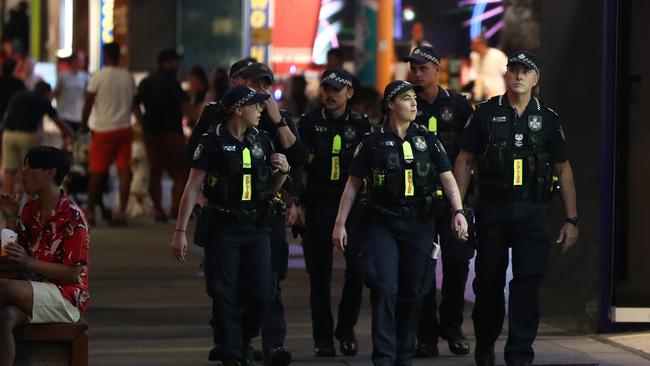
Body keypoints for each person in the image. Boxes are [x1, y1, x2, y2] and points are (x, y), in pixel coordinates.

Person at [454, 51, 579, 366]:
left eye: (526, 71)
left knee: (528, 282)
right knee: (488, 281)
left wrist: (571, 218)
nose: (519, 76)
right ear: (506, 75)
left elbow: (563, 169)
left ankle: (520, 352)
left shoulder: (548, 118)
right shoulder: (484, 114)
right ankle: (485, 342)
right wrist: (457, 208)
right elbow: (465, 160)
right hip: (493, 209)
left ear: (536, 79)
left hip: (533, 210)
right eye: (514, 70)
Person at [332, 80, 469, 366]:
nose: (414, 104)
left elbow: (447, 179)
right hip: (381, 223)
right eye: (407, 99)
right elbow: (353, 185)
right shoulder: (373, 141)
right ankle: (383, 357)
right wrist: (340, 224)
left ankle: (403, 355)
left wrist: (458, 211)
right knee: (385, 288)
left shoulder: (428, 140)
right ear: (391, 104)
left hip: (419, 224)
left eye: (414, 99)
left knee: (413, 292)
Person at [171, 85, 290, 366]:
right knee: (224, 293)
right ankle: (233, 353)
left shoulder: (262, 140)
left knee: (263, 293)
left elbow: (270, 189)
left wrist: (283, 173)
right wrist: (180, 232)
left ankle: (244, 338)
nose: (261, 110)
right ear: (238, 109)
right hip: (223, 227)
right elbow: (192, 187)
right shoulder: (212, 141)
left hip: (257, 227)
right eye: (256, 106)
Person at [403, 45, 475, 357]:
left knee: (458, 263)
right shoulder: (404, 104)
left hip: (452, 201)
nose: (417, 74)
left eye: (423, 68)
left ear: (437, 69)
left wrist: (458, 201)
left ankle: (453, 325)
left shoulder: (458, 106)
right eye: (413, 69)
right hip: (417, 202)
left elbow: (469, 154)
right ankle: (425, 334)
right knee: (422, 269)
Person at [297, 68, 370, 357]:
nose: (329, 94)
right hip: (319, 203)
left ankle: (347, 328)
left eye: (336, 89)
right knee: (319, 274)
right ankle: (323, 337)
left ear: (349, 93)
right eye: (326, 88)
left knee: (358, 268)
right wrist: (296, 204)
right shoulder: (309, 123)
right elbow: (297, 166)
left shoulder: (362, 125)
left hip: (353, 208)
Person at [240, 62, 307, 366]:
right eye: (256, 86)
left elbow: (298, 157)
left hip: (270, 210)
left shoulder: (276, 120)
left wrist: (277, 118)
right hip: (234, 212)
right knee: (237, 282)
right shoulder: (225, 118)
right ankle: (238, 341)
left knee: (271, 280)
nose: (262, 92)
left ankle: (274, 343)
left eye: (266, 86)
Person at [0, 146, 90, 366]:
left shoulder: (72, 217)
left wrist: (29, 262)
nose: (24, 172)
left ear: (50, 172)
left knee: (1, 287)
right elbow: (14, 254)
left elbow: (73, 272)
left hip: (65, 297)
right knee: (4, 318)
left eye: (30, 167)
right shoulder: (31, 209)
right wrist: (11, 217)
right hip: (33, 290)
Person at [81, 42, 137, 226]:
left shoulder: (98, 77)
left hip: (103, 130)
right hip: (124, 129)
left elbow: (88, 101)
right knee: (124, 171)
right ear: (119, 56)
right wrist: (141, 124)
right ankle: (121, 212)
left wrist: (83, 124)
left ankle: (89, 212)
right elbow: (135, 105)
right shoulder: (128, 77)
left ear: (106, 56)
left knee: (97, 171)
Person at [135, 48, 189, 221]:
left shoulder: (146, 82)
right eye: (175, 61)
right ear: (167, 63)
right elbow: (185, 105)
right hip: (172, 132)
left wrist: (142, 121)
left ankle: (158, 209)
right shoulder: (173, 82)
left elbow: (135, 104)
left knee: (155, 171)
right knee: (179, 172)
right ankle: (175, 208)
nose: (177, 65)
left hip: (151, 132)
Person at [1, 81, 73, 194]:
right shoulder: (42, 98)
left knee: (9, 170)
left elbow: (6, 115)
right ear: (47, 91)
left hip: (8, 133)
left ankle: (6, 202)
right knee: (31, 169)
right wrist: (70, 133)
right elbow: (57, 120)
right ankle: (29, 203)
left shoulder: (19, 95)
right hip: (28, 135)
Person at [55, 52, 89, 132]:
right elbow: (56, 92)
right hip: (64, 115)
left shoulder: (85, 77)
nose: (82, 62)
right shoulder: (62, 76)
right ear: (74, 61)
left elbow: (87, 96)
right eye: (80, 60)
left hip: (79, 116)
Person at [468, 36, 508, 102]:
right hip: (480, 95)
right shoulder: (474, 56)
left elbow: (508, 73)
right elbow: (475, 73)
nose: (471, 47)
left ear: (482, 44)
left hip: (496, 94)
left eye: (474, 45)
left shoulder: (497, 55)